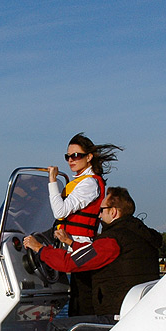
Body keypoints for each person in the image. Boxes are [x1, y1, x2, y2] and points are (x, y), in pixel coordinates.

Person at [23, 187, 162, 320]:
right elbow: (97, 253)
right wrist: (71, 243)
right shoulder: (140, 236)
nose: (99, 215)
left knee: (58, 329)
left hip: (115, 316)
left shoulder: (113, 239)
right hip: (137, 313)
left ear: (113, 212)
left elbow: (68, 263)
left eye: (102, 210)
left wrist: (39, 248)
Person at [46, 133, 123, 315]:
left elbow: (60, 212)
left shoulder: (89, 183)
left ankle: (84, 327)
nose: (71, 160)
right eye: (68, 156)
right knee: (76, 298)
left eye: (76, 155)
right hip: (71, 246)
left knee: (82, 301)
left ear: (89, 157)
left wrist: (52, 181)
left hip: (82, 247)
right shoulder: (80, 182)